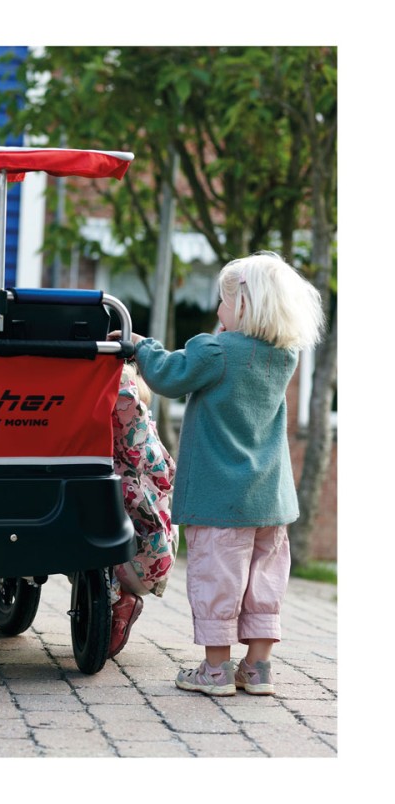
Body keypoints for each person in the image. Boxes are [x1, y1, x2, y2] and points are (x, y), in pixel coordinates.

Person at [118, 251, 325, 696]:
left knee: (219, 576)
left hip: (220, 494)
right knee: (264, 580)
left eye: (223, 301)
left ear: (245, 306)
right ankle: (258, 668)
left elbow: (170, 377)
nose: (216, 311)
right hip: (271, 497)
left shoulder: (214, 351)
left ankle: (216, 671)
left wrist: (142, 348)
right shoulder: (282, 357)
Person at [106, 361, 177, 659]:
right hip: (152, 555)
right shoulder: (151, 445)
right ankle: (113, 600)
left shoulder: (129, 447)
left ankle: (118, 600)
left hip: (138, 557)